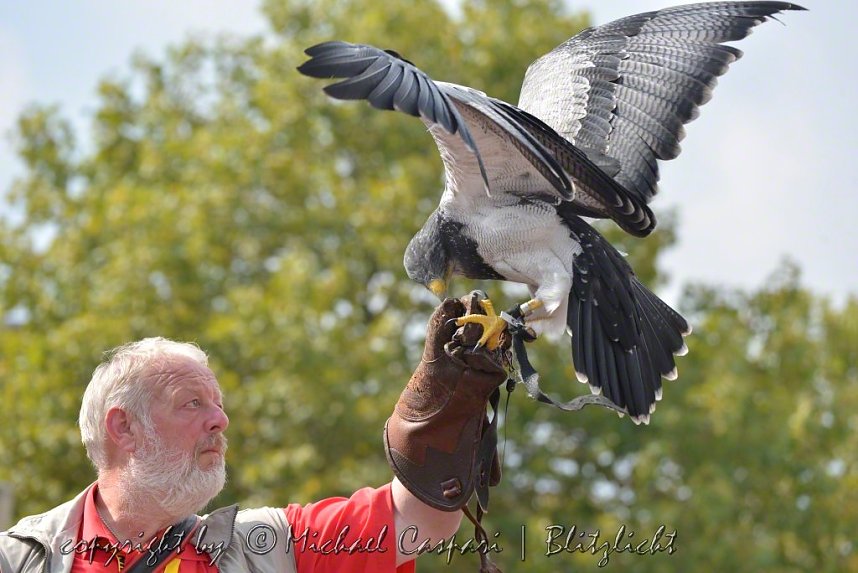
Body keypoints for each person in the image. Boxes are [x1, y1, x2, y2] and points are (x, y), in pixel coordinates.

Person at [0, 294, 508, 572]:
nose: (219, 420)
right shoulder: (20, 559)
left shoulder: (267, 545)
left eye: (218, 405)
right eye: (192, 404)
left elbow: (416, 521)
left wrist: (445, 410)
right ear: (123, 427)